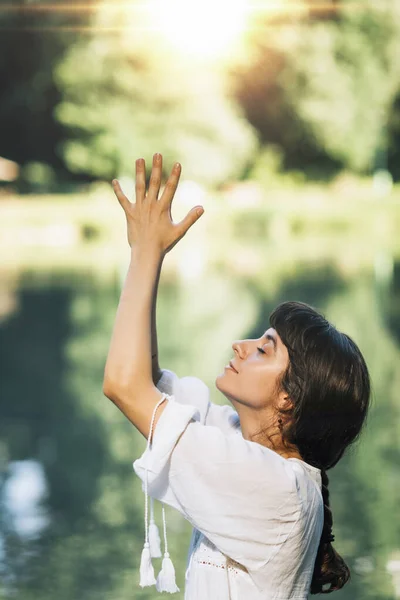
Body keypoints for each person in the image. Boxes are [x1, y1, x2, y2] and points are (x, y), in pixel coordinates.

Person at [103, 153, 371, 599]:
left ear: (290, 399)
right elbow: (143, 381)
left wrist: (144, 254)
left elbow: (123, 386)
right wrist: (147, 254)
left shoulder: (277, 488)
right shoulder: (243, 443)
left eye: (265, 348)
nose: (240, 346)